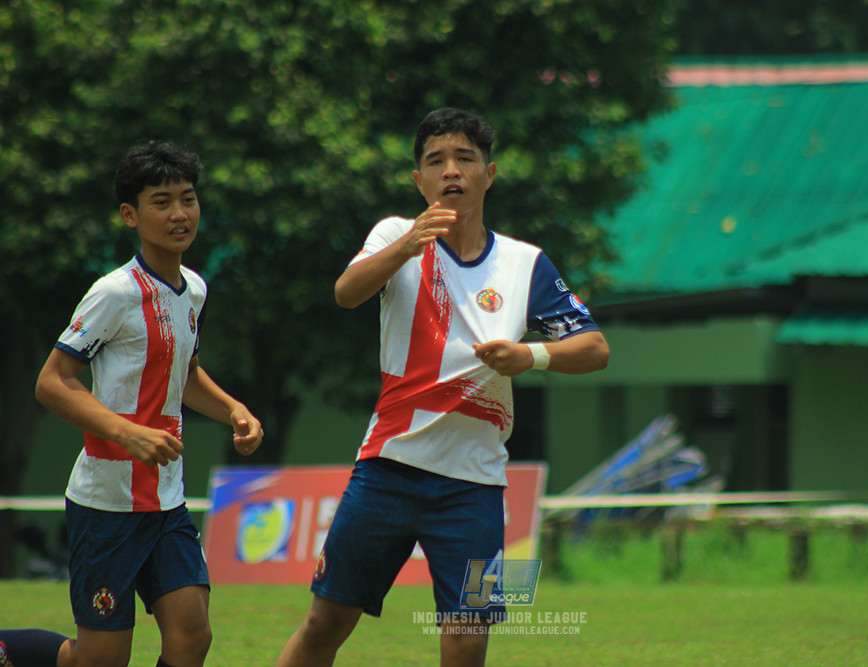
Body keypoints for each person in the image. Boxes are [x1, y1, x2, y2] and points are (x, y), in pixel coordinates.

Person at [275, 107, 609, 667]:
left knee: (466, 638)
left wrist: (530, 355)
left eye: (465, 158)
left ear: (489, 173)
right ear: (419, 180)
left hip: (474, 486)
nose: (451, 169)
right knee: (325, 622)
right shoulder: (393, 234)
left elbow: (594, 348)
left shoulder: (526, 263)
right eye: (436, 160)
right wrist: (407, 245)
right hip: (387, 471)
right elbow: (346, 293)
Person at [0, 141, 264, 667]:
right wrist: (127, 432)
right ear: (130, 215)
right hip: (107, 505)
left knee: (193, 636)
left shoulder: (195, 290)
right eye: (161, 202)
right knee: (97, 659)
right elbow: (52, 382)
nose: (179, 213)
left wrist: (235, 409)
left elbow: (183, 375)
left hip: (167, 502)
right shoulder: (113, 293)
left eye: (187, 199)